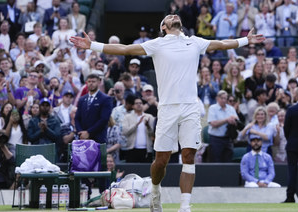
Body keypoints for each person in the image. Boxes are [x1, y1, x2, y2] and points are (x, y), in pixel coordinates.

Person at [70, 14, 264, 212]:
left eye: (175, 15)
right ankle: (155, 191)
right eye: (168, 17)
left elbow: (222, 44)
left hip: (190, 107)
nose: (173, 16)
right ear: (164, 26)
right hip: (167, 109)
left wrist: (245, 40)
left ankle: (185, 206)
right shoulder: (157, 44)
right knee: (161, 161)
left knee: (189, 155)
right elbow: (125, 49)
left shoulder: (195, 42)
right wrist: (92, 45)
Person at [75, 74, 112, 144]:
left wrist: (89, 132)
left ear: (98, 82)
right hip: (83, 139)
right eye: (89, 81)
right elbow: (77, 118)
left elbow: (104, 119)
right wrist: (81, 133)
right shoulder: (82, 99)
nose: (91, 83)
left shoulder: (105, 99)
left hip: (98, 138)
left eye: (93, 81)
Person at [207, 90, 238, 162]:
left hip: (228, 139)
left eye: (225, 98)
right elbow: (213, 123)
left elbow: (237, 121)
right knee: (215, 162)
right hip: (216, 139)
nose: (224, 100)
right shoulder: (213, 108)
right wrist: (226, 120)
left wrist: (233, 121)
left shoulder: (231, 108)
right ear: (217, 98)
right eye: (222, 98)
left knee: (228, 162)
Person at [122, 97, 155, 163]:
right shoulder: (127, 117)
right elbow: (125, 132)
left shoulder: (149, 117)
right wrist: (137, 124)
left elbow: (153, 134)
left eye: (140, 103)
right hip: (132, 149)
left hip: (146, 150)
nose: (139, 105)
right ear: (133, 106)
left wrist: (148, 126)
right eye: (136, 103)